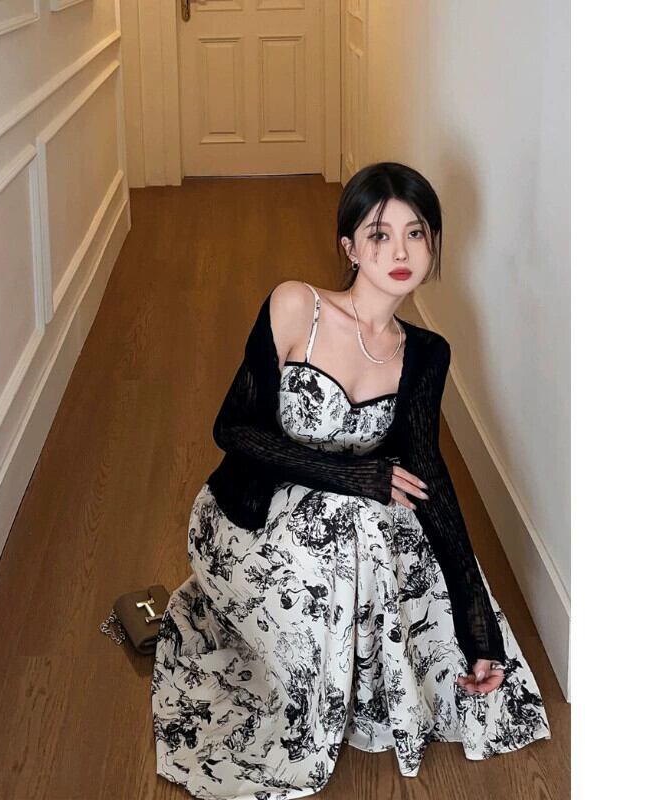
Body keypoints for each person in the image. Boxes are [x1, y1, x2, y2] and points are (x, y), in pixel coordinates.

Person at [149, 163, 551, 799]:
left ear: (434, 246)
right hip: (249, 520)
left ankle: (431, 669)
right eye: (379, 234)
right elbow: (233, 429)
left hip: (340, 530)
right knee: (365, 511)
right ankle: (334, 678)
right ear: (350, 248)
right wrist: (353, 475)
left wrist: (479, 627)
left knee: (403, 525)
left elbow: (431, 479)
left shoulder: (426, 353)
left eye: (416, 234)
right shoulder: (297, 307)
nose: (400, 252)